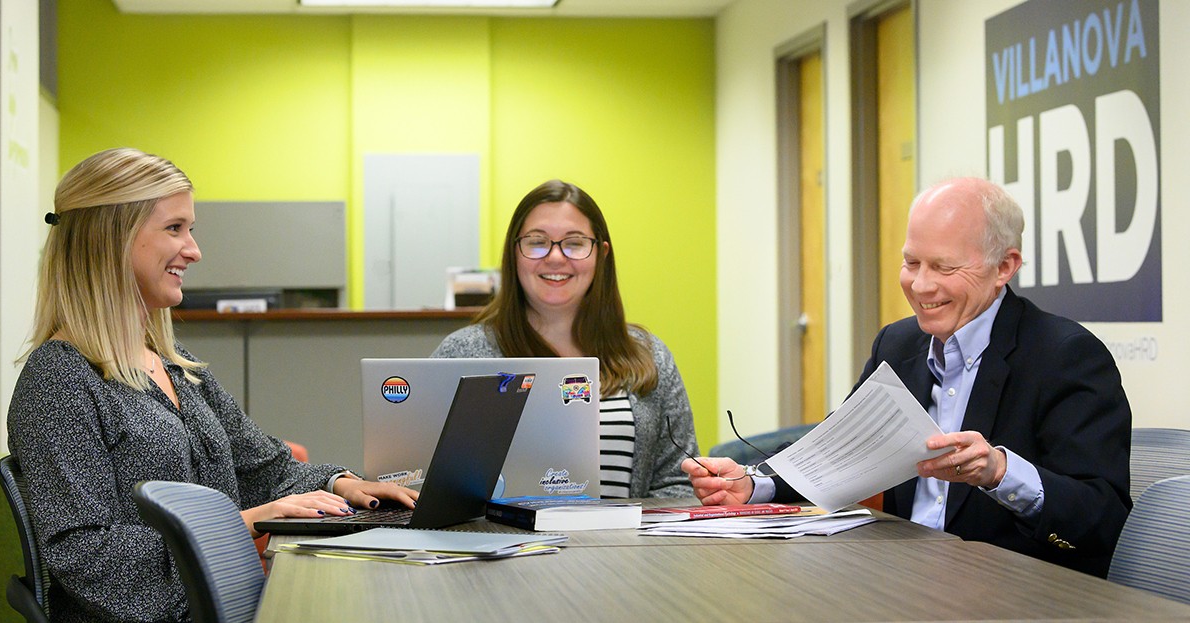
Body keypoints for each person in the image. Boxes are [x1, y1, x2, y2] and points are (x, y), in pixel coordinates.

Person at [7, 148, 419, 622]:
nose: (194, 251)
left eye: (191, 230)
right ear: (111, 237)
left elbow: (262, 467)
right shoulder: (58, 382)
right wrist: (235, 526)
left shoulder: (178, 368)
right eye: (174, 228)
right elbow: (87, 557)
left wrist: (344, 484)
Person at [683, 177, 1131, 577]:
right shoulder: (898, 344)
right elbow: (841, 450)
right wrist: (752, 483)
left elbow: (1101, 520)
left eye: (944, 267)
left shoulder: (1066, 356)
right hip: (898, 579)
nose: (920, 286)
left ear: (1004, 267)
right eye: (911, 263)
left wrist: (1000, 471)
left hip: (1010, 591)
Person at [432, 179, 697, 498]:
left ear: (601, 254)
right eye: (536, 241)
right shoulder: (462, 353)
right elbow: (423, 479)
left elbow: (677, 483)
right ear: (514, 253)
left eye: (574, 243)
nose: (556, 257)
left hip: (623, 548)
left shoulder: (648, 355)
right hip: (504, 546)